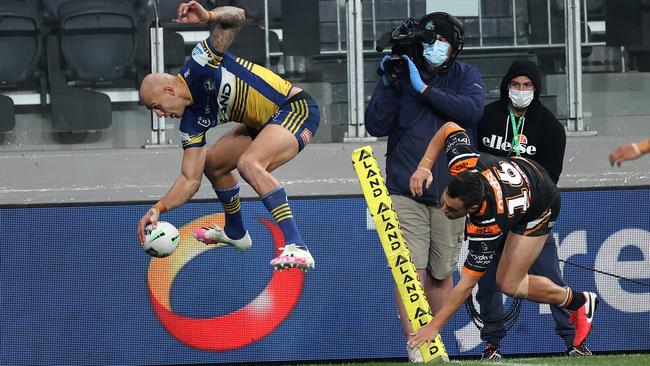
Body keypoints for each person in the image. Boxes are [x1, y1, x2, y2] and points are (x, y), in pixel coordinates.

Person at [136, 1, 319, 271]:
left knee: (249, 163)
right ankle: (236, 232)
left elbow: (237, 18)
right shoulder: (190, 123)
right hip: (262, 126)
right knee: (213, 163)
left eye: (157, 107)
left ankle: (297, 245)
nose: (160, 115)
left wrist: (209, 16)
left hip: (294, 109)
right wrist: (159, 208)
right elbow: (190, 179)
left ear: (170, 91)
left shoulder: (200, 62)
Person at [406, 122, 598, 355]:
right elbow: (449, 128)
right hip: (522, 173)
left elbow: (466, 285)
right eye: (445, 199)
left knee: (510, 284)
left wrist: (434, 327)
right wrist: (425, 166)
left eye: (451, 209)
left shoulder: (488, 223)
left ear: (473, 208)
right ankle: (577, 302)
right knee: (504, 281)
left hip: (541, 202)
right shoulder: (462, 161)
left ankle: (579, 301)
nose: (443, 207)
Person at [364, 12, 485, 362]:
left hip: (454, 194)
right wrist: (389, 85)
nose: (434, 48)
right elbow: (375, 124)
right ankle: (416, 346)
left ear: (454, 46)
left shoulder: (466, 76)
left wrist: (423, 88)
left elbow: (471, 110)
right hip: (405, 189)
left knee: (442, 273)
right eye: (429, 42)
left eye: (441, 42)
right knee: (410, 270)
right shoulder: (400, 72)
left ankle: (433, 338)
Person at [475, 60, 590, 357]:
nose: (521, 91)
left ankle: (573, 340)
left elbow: (550, 180)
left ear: (536, 89)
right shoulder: (486, 117)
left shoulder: (550, 126)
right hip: (492, 214)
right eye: (516, 85)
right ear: (506, 86)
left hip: (531, 219)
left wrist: (525, 208)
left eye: (527, 86)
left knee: (550, 276)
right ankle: (492, 344)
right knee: (487, 281)